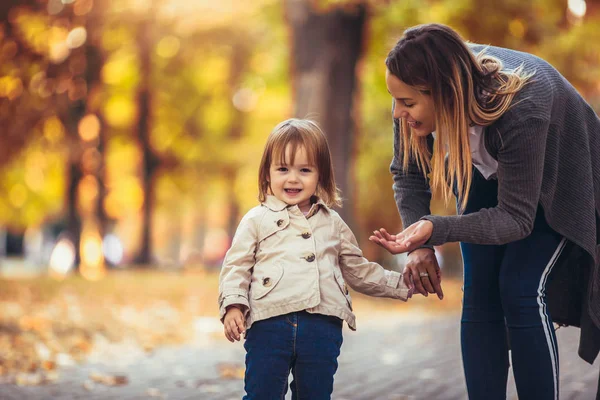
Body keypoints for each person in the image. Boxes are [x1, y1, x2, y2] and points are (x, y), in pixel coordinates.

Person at [369, 23, 600, 400]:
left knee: (521, 288)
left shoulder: (525, 104)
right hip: (489, 168)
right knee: (478, 289)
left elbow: (516, 218)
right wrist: (419, 243)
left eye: (408, 103)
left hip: (555, 179)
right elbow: (409, 174)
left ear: (445, 93)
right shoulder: (412, 75)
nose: (397, 113)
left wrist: (434, 228)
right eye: (397, 101)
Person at [218, 118, 413, 400]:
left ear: (320, 175)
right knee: (262, 393)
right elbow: (237, 266)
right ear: (267, 174)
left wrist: (403, 283)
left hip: (322, 327)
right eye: (283, 169)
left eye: (304, 170)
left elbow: (358, 270)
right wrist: (233, 305)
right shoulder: (257, 220)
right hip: (268, 325)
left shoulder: (332, 223)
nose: (293, 178)